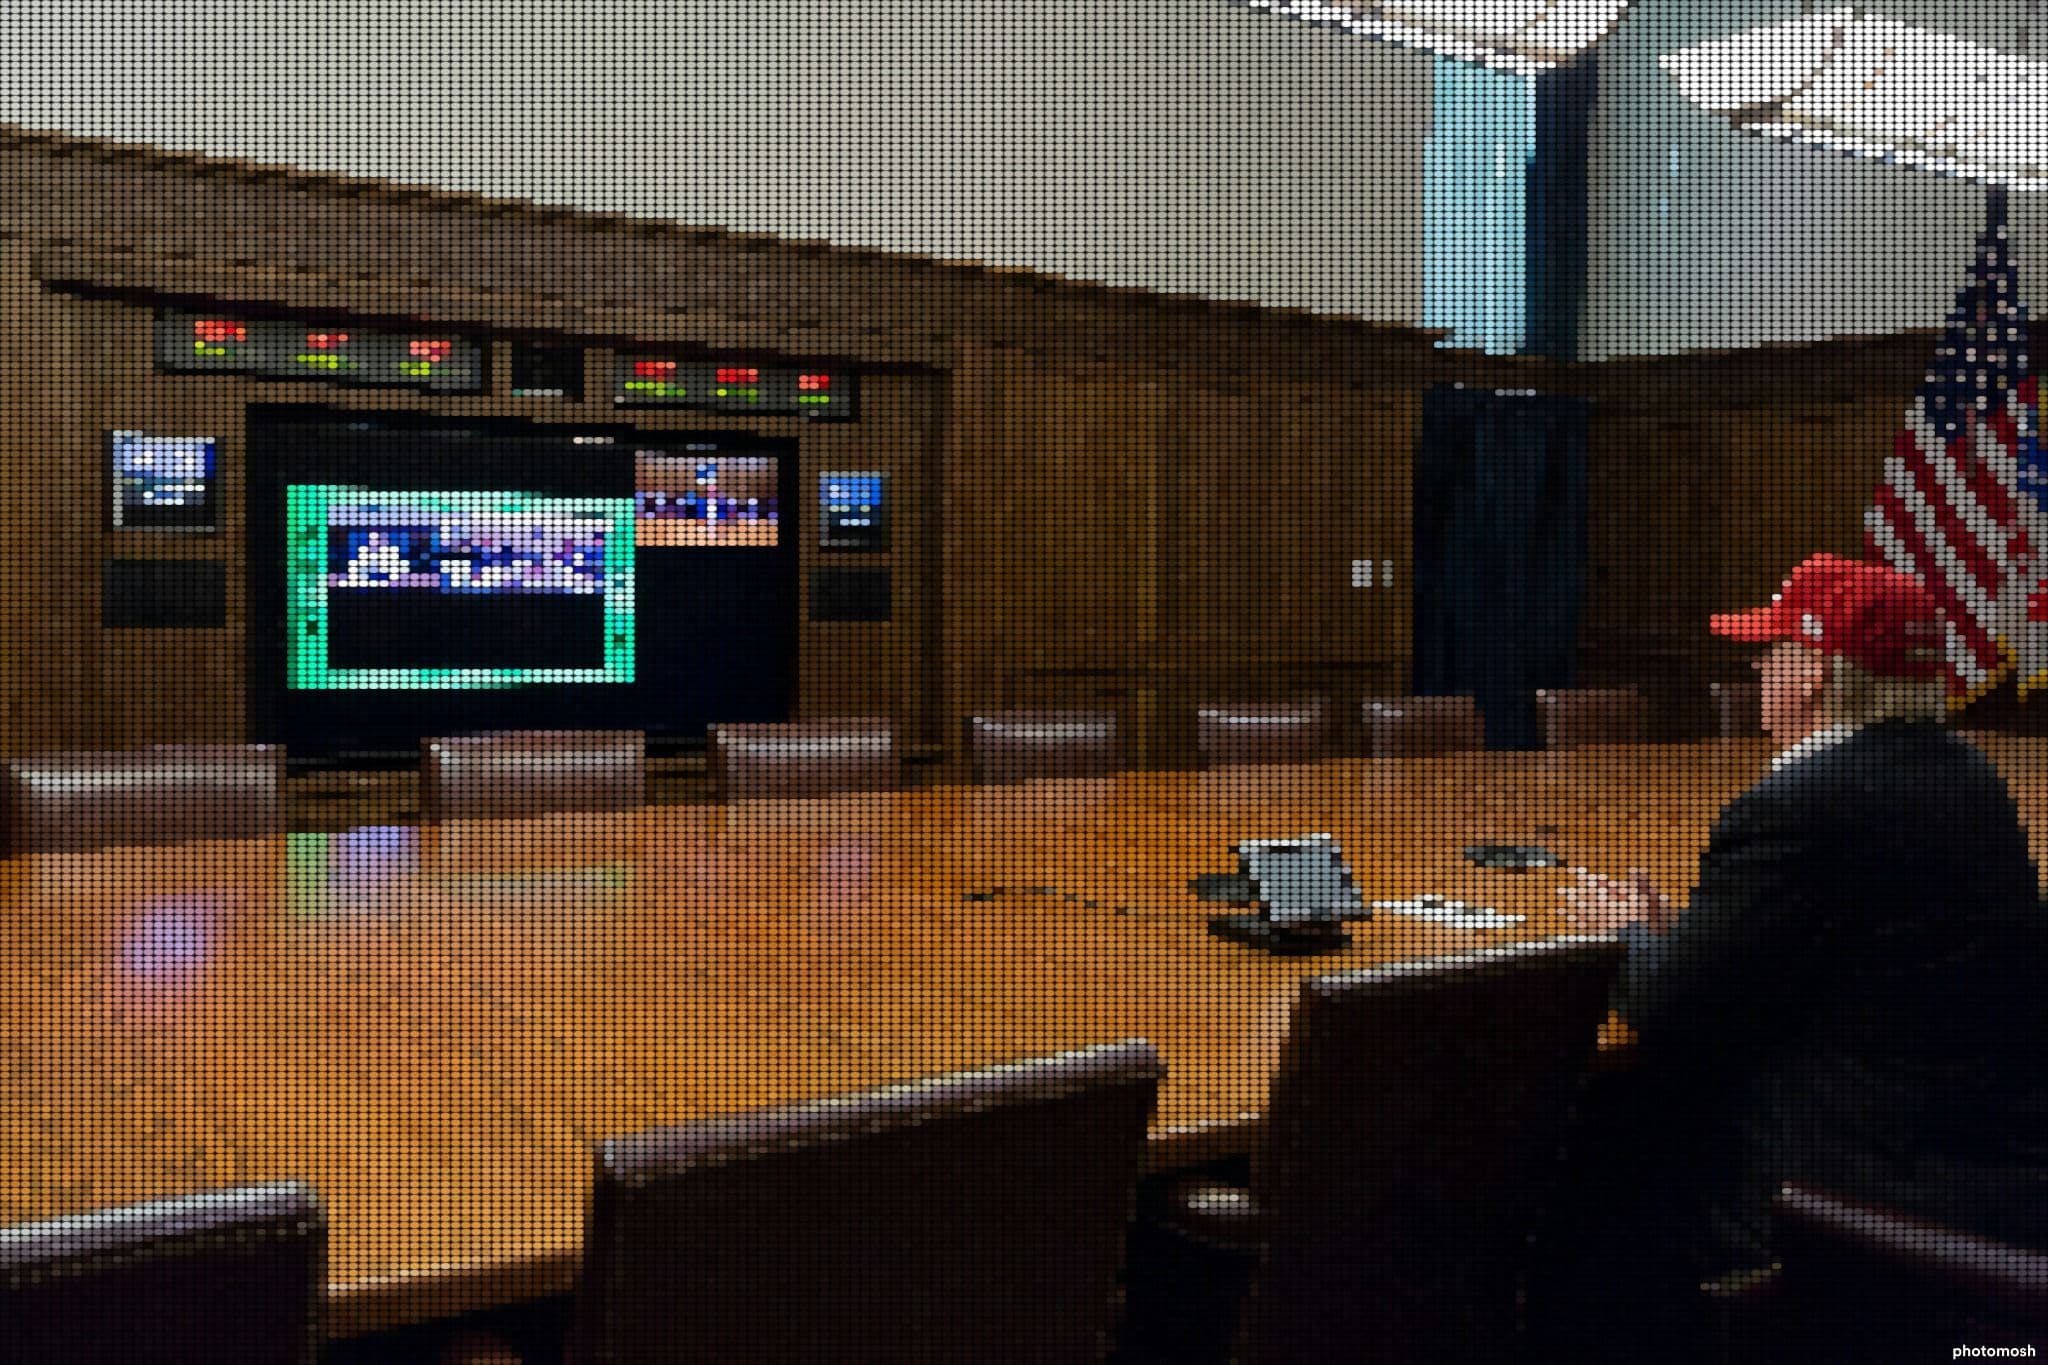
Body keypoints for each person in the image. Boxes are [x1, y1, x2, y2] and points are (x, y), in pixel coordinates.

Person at [1526, 552, 2048, 1362]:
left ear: (1813, 674)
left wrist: (1628, 932)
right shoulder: (1969, 774)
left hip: (1854, 1192)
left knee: (1591, 1160)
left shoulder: (1799, 803)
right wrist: (1692, 935)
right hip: (1995, 1175)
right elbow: (1852, 948)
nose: (1758, 669)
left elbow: (1664, 1005)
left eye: (1770, 652)